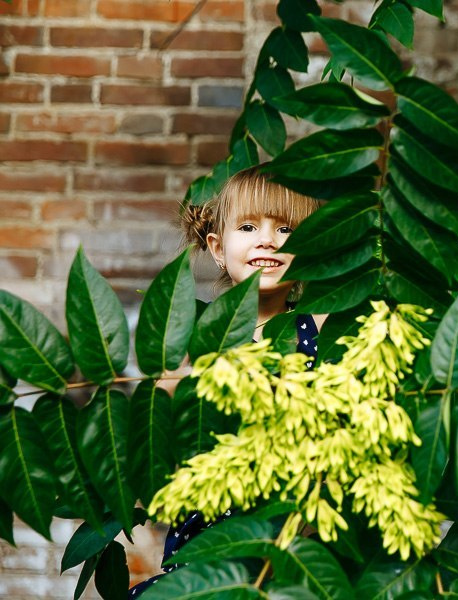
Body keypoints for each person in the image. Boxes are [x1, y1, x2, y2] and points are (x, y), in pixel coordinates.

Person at [129, 165, 323, 596]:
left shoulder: (322, 331)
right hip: (206, 561)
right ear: (217, 247)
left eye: (287, 229)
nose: (267, 240)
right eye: (249, 226)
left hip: (298, 559)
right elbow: (149, 446)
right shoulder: (193, 347)